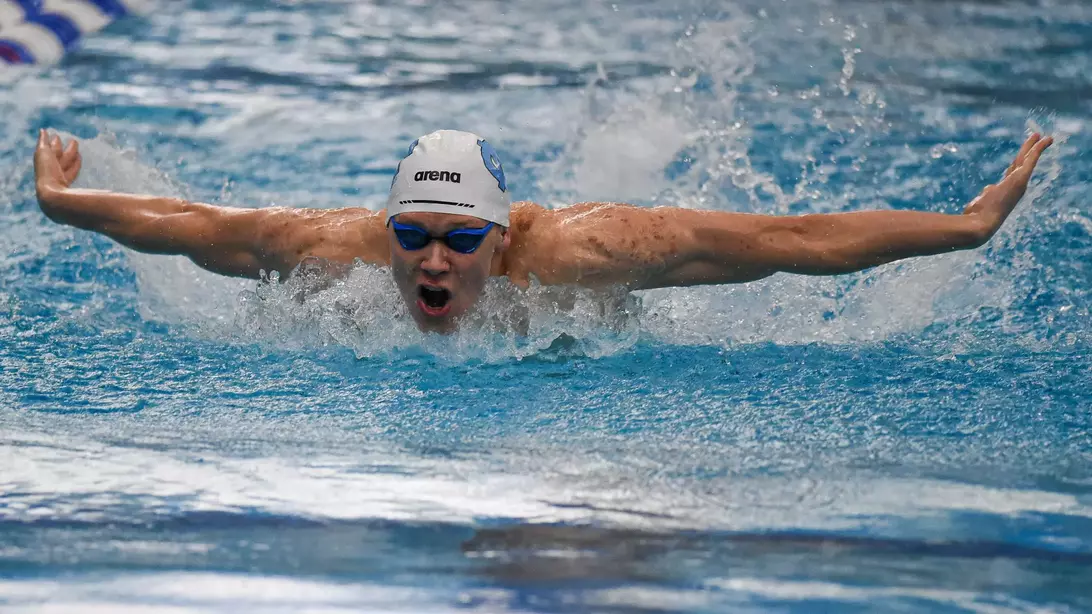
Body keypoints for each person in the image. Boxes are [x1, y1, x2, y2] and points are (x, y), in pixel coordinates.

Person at [33, 128, 1052, 333]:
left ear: (501, 241)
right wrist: (60, 202)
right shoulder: (332, 248)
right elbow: (186, 224)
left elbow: (794, 237)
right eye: (414, 235)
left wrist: (965, 227)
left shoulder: (586, 250)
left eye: (460, 240)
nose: (433, 260)